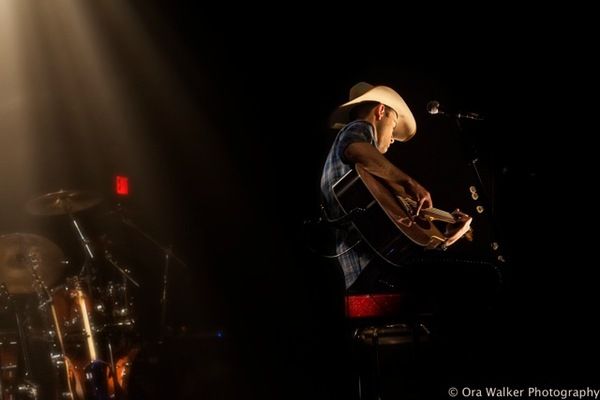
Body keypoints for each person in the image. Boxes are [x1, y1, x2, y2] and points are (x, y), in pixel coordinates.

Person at [320, 82, 480, 296]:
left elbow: (393, 237)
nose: (393, 138)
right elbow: (356, 149)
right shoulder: (358, 129)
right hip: (377, 270)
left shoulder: (366, 180)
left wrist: (444, 240)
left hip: (363, 273)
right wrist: (409, 183)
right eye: (394, 125)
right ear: (380, 111)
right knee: (483, 277)